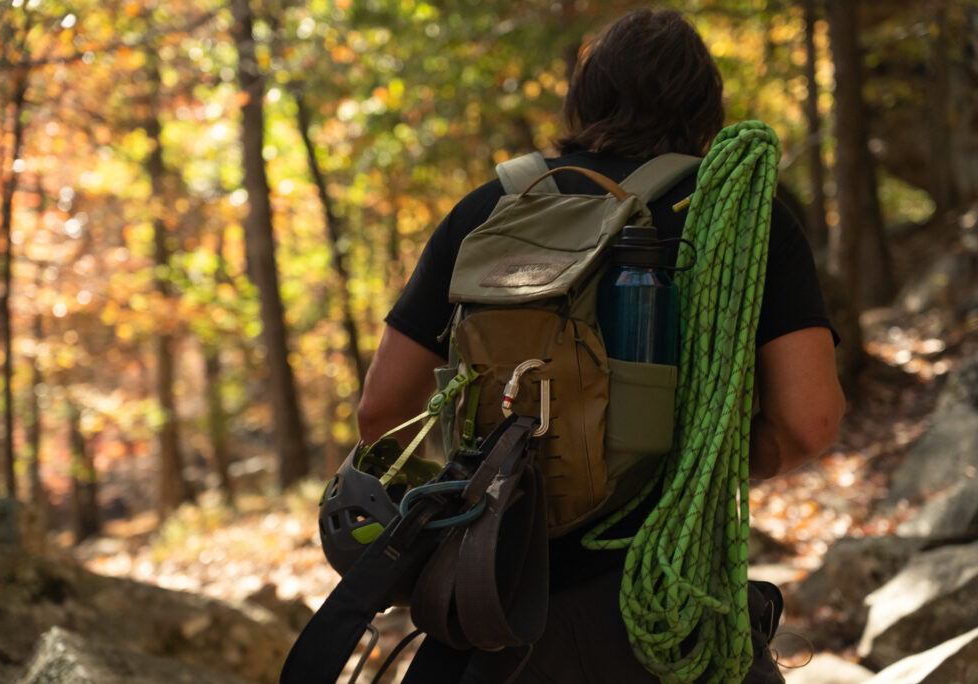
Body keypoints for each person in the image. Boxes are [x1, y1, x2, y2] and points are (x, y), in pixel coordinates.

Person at [357, 7, 845, 683]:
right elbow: (809, 419)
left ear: (583, 99)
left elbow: (380, 413)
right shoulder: (740, 216)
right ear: (707, 107)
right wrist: (695, 476)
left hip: (499, 608)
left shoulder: (488, 210)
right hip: (670, 612)